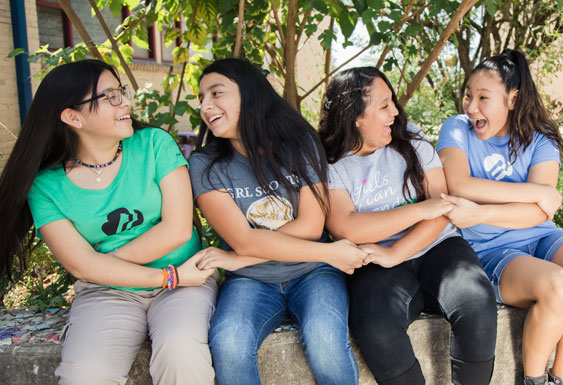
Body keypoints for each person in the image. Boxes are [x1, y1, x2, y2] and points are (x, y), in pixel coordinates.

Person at [0, 60, 218, 385]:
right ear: (73, 117)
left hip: (185, 283)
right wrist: (163, 276)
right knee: (85, 374)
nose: (126, 103)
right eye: (111, 97)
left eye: (122, 93)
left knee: (182, 353)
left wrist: (104, 263)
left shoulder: (154, 144)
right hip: (111, 293)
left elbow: (177, 230)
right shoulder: (47, 187)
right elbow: (82, 268)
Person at [437, 49, 563, 385]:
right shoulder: (456, 129)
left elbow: (539, 212)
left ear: (513, 99)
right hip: (491, 248)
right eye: (468, 95)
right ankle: (531, 381)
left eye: (484, 98)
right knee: (558, 286)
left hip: (541, 235)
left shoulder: (539, 136)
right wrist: (536, 191)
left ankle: (561, 380)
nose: (471, 107)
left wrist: (480, 211)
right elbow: (458, 183)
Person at [189, 58, 366, 385]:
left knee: (326, 338)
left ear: (250, 94)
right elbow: (243, 238)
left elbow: (311, 227)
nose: (205, 105)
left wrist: (236, 258)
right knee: (229, 342)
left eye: (216, 93)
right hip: (253, 280)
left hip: (312, 273)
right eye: (201, 98)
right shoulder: (206, 164)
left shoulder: (299, 143)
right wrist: (329, 253)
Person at [318, 66, 497, 385]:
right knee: (376, 327)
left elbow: (442, 210)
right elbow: (348, 228)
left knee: (476, 301)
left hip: (437, 246)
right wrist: (421, 209)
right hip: (374, 262)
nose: (395, 111)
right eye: (384, 105)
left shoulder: (410, 138)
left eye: (393, 102)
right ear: (355, 116)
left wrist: (397, 250)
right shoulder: (331, 162)